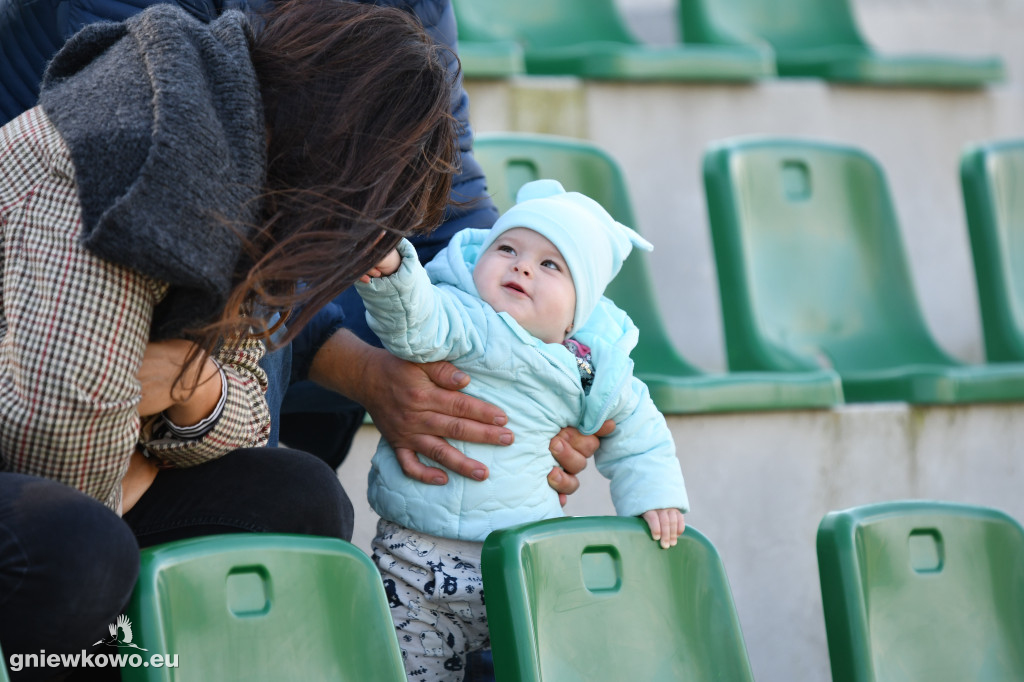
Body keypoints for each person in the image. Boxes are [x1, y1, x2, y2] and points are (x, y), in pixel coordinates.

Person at [0, 1, 459, 679]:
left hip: (82, 448)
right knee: (80, 551)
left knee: (302, 500)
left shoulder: (252, 151)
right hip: (40, 452)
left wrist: (193, 383)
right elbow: (53, 429)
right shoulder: (139, 140)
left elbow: (245, 401)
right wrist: (140, 462)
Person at [355, 179, 690, 681]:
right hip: (417, 564)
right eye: (507, 248)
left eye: (551, 264)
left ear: (578, 314)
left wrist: (654, 494)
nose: (522, 265)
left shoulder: (591, 370)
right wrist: (393, 272)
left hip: (523, 567)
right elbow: (414, 322)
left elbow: (640, 431)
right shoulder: (464, 318)